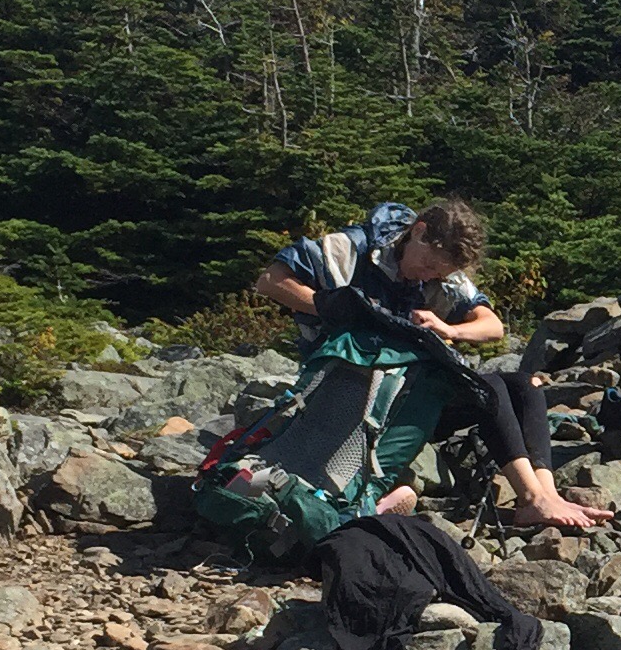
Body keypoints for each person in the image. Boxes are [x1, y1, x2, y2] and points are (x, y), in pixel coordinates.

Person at [251, 198, 602, 532]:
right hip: (345, 393)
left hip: (408, 395)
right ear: (418, 231)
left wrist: (450, 329)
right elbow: (271, 281)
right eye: (429, 265)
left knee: (524, 385)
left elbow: (493, 325)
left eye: (439, 273)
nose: (428, 276)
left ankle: (546, 495)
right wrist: (342, 310)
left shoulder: (440, 275)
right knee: (489, 388)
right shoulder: (352, 249)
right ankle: (532, 498)